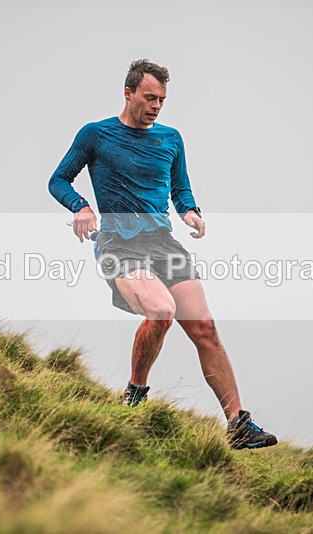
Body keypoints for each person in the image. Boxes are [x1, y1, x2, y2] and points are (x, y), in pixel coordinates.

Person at [48, 59, 277, 449]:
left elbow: (180, 188)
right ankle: (135, 394)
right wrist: (81, 207)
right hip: (119, 244)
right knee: (161, 311)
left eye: (162, 100)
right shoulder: (96, 135)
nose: (156, 106)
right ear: (129, 93)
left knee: (204, 328)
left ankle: (239, 425)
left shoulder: (170, 139)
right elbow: (58, 179)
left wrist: (191, 210)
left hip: (163, 243)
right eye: (149, 97)